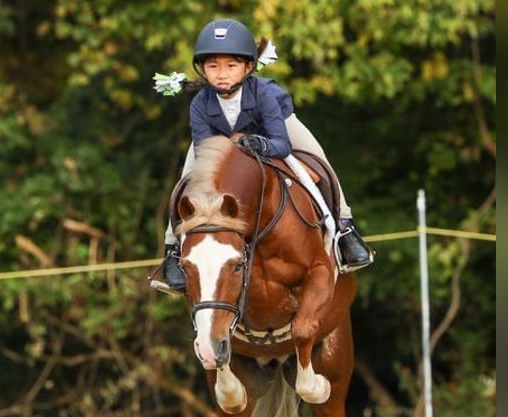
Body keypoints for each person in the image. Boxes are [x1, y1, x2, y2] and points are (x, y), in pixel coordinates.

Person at [159, 18, 374, 292]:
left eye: (231, 66)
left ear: (249, 67)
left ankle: (345, 228)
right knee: (188, 178)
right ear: (202, 69)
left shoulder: (263, 95)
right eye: (213, 66)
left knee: (317, 156)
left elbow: (281, 145)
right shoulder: (201, 104)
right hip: (220, 141)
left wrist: (261, 146)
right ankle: (172, 250)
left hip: (273, 129)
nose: (221, 74)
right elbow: (205, 149)